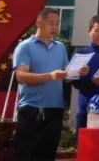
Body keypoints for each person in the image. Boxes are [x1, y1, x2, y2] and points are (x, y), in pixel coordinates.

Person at [13, 8, 79, 161]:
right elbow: (21, 76)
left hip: (55, 110)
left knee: (48, 155)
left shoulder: (60, 47)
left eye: (57, 23)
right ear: (39, 22)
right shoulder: (25, 47)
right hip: (32, 110)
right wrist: (50, 76)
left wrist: (77, 72)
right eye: (51, 23)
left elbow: (65, 75)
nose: (55, 27)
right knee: (26, 154)